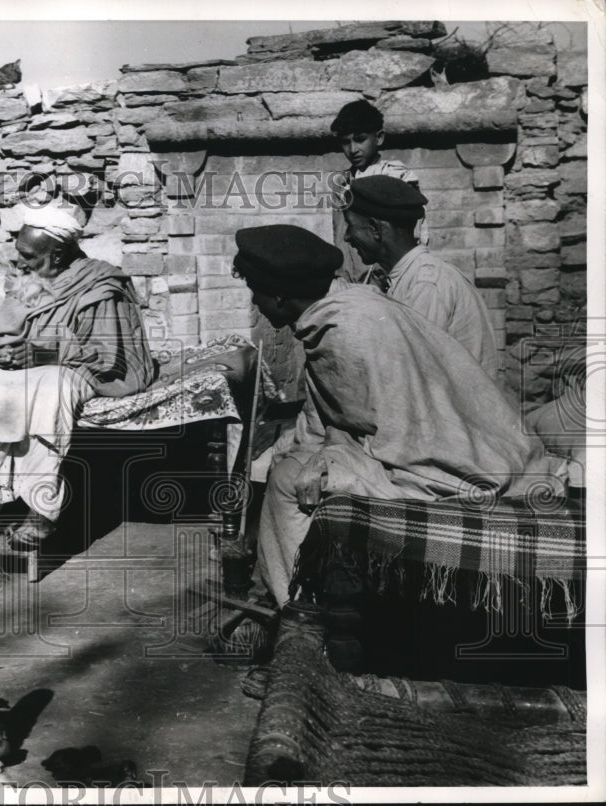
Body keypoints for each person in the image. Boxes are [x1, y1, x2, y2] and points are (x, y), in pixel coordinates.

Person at [232, 224, 565, 610]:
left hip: (449, 463)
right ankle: (303, 592)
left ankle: (300, 611)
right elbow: (338, 415)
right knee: (290, 460)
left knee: (290, 479)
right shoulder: (348, 306)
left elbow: (391, 434)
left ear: (278, 294)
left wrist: (323, 461)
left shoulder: (346, 333)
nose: (254, 302)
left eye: (254, 291)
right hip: (471, 442)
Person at [0, 204, 156, 550]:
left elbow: (104, 356)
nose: (20, 263)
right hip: (25, 368)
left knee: (48, 388)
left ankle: (40, 511)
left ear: (59, 253)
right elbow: (7, 335)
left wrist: (40, 355)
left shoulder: (99, 282)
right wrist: (1, 354)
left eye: (30, 256)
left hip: (73, 371)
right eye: (19, 254)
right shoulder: (24, 280)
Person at [342, 175, 499, 378]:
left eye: (350, 225)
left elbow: (408, 376)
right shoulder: (404, 277)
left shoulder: (425, 285)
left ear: (375, 229)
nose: (347, 236)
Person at [330, 99, 426, 281]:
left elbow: (414, 233)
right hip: (354, 279)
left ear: (379, 137)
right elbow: (341, 239)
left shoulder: (396, 177)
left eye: (360, 140)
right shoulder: (341, 184)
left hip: (393, 275)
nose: (353, 149)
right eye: (345, 142)